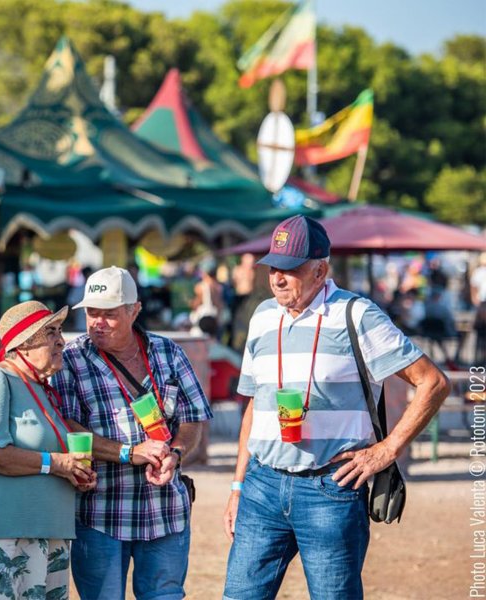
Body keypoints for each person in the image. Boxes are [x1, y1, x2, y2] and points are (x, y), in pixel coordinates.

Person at [222, 216, 450, 600]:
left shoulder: (357, 314)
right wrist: (238, 485)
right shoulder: (262, 317)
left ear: (320, 270)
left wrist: (386, 450)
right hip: (262, 487)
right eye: (273, 267)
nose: (278, 277)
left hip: (330, 487)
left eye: (290, 269)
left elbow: (433, 382)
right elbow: (254, 408)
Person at [51, 266, 213, 600]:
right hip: (100, 512)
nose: (97, 322)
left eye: (108, 314)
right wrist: (129, 452)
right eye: (91, 313)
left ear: (134, 310)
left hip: (166, 510)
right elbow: (68, 427)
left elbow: (194, 417)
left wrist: (177, 454)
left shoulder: (168, 352)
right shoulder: (71, 359)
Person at [0, 301, 97, 599]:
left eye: (60, 331)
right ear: (23, 345)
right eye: (50, 333)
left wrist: (73, 472)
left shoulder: (43, 389)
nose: (61, 340)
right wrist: (56, 463)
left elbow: (46, 457)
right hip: (2, 533)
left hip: (49, 532)